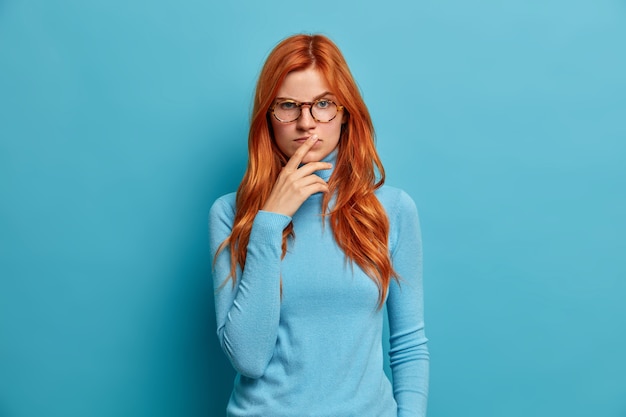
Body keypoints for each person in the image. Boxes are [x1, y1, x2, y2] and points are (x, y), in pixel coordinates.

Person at [209, 33, 429, 417]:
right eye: (288, 106)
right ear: (268, 117)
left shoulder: (392, 209)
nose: (306, 123)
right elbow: (248, 358)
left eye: (323, 104)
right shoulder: (231, 213)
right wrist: (269, 221)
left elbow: (409, 345)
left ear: (345, 113)